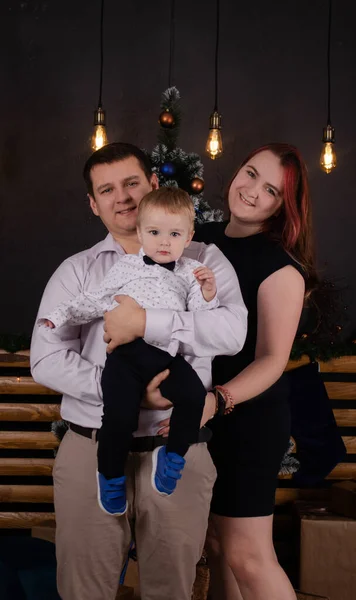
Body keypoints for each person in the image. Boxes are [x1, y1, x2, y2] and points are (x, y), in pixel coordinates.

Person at [30, 142, 247, 600]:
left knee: (171, 589)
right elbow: (45, 357)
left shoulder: (203, 261)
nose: (122, 196)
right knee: (84, 590)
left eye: (131, 182)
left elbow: (230, 333)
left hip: (177, 444)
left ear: (152, 184)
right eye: (106, 189)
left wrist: (146, 323)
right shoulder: (79, 270)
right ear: (94, 204)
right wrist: (125, 392)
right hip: (90, 444)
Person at [103, 143, 315, 600]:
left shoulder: (282, 268)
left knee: (248, 555)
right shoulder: (198, 239)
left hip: (245, 417)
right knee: (215, 547)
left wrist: (214, 402)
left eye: (272, 190)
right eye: (251, 174)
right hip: (192, 410)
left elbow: (272, 360)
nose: (253, 191)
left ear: (284, 206)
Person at [39, 187, 219, 513]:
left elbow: (202, 324)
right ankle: (109, 475)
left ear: (188, 236)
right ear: (140, 232)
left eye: (174, 234)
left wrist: (207, 293)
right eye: (154, 232)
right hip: (125, 357)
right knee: (119, 416)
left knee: (193, 396)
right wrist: (59, 316)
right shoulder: (125, 268)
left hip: (165, 357)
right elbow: (96, 300)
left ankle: (174, 455)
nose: (164, 242)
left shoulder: (190, 273)